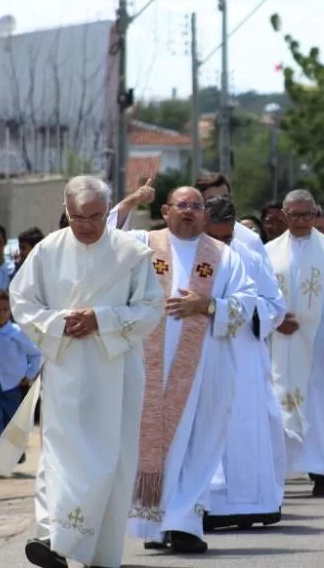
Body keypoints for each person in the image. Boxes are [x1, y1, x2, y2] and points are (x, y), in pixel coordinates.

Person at [7, 175, 165, 568]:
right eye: (79, 217)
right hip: (66, 369)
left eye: (96, 216)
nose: (88, 226)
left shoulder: (130, 254)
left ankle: (98, 553)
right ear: (66, 211)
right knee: (60, 456)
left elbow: (150, 307)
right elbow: (22, 302)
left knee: (112, 457)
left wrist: (102, 319)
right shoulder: (47, 252)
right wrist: (60, 324)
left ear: (107, 210)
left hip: (118, 371)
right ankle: (52, 540)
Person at [124, 186, 258, 555]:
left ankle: (184, 523)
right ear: (166, 210)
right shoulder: (141, 244)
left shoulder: (224, 256)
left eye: (197, 206)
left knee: (200, 440)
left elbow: (247, 302)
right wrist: (130, 202)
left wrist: (209, 304)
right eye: (182, 205)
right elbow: (101, 241)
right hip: (149, 366)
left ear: (205, 215)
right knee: (156, 441)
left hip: (206, 367)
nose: (190, 211)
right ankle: (154, 523)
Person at [201, 196, 288, 532]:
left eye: (226, 238)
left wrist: (243, 313)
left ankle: (250, 504)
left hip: (243, 352)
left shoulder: (250, 254)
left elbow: (275, 306)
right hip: (202, 353)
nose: (221, 244)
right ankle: (205, 504)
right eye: (214, 236)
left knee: (244, 426)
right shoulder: (189, 252)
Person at [266, 189, 324, 496]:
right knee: (281, 400)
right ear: (284, 215)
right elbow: (261, 295)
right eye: (296, 215)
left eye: (308, 215)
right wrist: (276, 320)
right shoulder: (268, 252)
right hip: (282, 340)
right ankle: (283, 468)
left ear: (315, 213)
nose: (303, 221)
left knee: (321, 405)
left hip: (320, 341)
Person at [0, 288, 42, 476]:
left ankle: (15, 454)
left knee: (12, 424)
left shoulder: (17, 332)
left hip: (13, 386)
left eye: (5, 309)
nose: (1, 314)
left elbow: (36, 354)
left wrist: (30, 374)